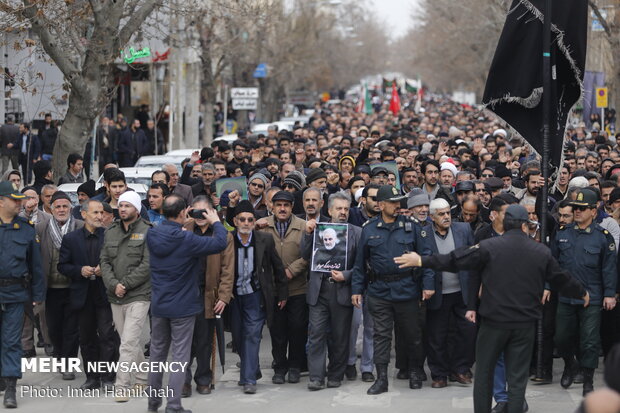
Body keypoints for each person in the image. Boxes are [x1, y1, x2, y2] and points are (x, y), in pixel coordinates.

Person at [394, 204, 590, 413]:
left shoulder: (489, 247)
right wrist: (581, 292)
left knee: (484, 374)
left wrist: (422, 260)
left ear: (504, 224)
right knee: (517, 378)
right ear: (525, 225)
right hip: (524, 325)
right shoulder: (540, 251)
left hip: (494, 324)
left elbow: (455, 260)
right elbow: (561, 278)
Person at [146, 194, 228, 413]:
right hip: (183, 306)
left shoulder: (152, 234)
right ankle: (173, 405)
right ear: (184, 212)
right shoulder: (186, 239)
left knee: (157, 354)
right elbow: (220, 242)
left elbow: (169, 234)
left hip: (160, 304)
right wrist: (216, 221)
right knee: (180, 356)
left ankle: (153, 402)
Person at [351, 185, 435, 394]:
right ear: (380, 205)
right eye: (393, 202)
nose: (398, 206)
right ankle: (381, 379)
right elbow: (360, 263)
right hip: (379, 290)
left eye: (399, 202)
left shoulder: (412, 225)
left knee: (412, 334)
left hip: (407, 289)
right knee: (381, 335)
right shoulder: (369, 228)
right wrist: (356, 290)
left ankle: (415, 371)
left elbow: (426, 256)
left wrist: (428, 284)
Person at [552, 188, 617, 397]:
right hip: (566, 295)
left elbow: (609, 268)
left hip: (593, 296)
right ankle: (570, 364)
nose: (577, 212)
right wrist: (546, 287)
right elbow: (551, 264)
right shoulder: (562, 233)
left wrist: (609, 293)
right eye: (576, 208)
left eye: (582, 209)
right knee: (561, 337)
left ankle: (587, 379)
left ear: (593, 211)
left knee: (589, 340)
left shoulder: (603, 237)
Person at [302, 192, 361, 390]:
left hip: (342, 289)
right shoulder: (318, 229)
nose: (343, 212)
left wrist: (347, 275)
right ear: (329, 210)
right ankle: (316, 377)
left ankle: (336, 374)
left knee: (340, 335)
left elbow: (363, 266)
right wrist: (308, 234)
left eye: (346, 209)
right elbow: (304, 254)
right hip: (319, 289)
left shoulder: (357, 233)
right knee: (316, 334)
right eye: (339, 208)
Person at [57, 199, 117, 390]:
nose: (100, 216)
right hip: (82, 295)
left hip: (104, 294)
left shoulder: (110, 236)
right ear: (83, 215)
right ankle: (92, 378)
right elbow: (62, 266)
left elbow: (119, 263)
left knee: (108, 336)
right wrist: (79, 270)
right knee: (86, 337)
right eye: (95, 213)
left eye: (102, 213)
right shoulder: (71, 239)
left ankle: (108, 377)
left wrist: (104, 270)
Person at [230, 200, 288, 394]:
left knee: (252, 335)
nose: (246, 223)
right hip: (233, 296)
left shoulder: (264, 239)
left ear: (254, 222)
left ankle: (248, 380)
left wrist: (282, 293)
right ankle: (252, 369)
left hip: (256, 295)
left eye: (250, 219)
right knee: (238, 337)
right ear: (235, 221)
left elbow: (278, 267)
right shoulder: (227, 240)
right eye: (242, 220)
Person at [100, 191, 152, 402]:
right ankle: (142, 378)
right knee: (128, 341)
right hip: (116, 296)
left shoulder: (148, 232)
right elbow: (104, 261)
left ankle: (122, 386)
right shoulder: (110, 231)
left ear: (137, 210)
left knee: (128, 342)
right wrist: (114, 285)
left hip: (139, 294)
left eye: (127, 206)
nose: (122, 209)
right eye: (120, 206)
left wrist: (126, 284)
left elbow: (148, 265)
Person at [182, 196, 234, 396]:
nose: (200, 216)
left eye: (204, 212)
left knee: (204, 341)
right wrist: (184, 220)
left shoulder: (222, 235)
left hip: (209, 294)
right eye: (196, 211)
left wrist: (223, 296)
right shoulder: (184, 229)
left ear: (212, 212)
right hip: (185, 294)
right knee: (184, 342)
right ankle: (183, 380)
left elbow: (228, 269)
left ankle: (203, 378)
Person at [0, 181, 45, 408]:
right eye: (14, 200)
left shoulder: (26, 228)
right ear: (1, 201)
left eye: (21, 200)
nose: (20, 203)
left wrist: (38, 294)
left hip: (16, 293)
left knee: (11, 341)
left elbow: (36, 265)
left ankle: (10, 387)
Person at [258, 190, 308, 384]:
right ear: (272, 206)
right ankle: (280, 367)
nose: (282, 208)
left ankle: (295, 367)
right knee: (277, 331)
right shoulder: (262, 227)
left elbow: (309, 253)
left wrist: (291, 270)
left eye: (286, 205)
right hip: (273, 289)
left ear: (292, 207)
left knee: (297, 329)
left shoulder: (303, 227)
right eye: (278, 205)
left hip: (297, 287)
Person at [425, 198, 476, 388]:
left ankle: (460, 369)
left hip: (462, 291)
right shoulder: (424, 234)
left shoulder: (463, 229)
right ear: (432, 217)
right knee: (437, 336)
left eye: (448, 213)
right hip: (438, 293)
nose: (446, 217)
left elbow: (473, 258)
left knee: (467, 333)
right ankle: (439, 374)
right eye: (441, 214)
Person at [36, 191, 83, 380]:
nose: (61, 210)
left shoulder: (79, 227)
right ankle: (59, 356)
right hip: (50, 289)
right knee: (53, 328)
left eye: (65, 206)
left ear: (70, 208)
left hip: (74, 287)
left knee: (71, 328)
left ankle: (68, 364)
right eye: (58, 206)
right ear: (51, 208)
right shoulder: (41, 228)